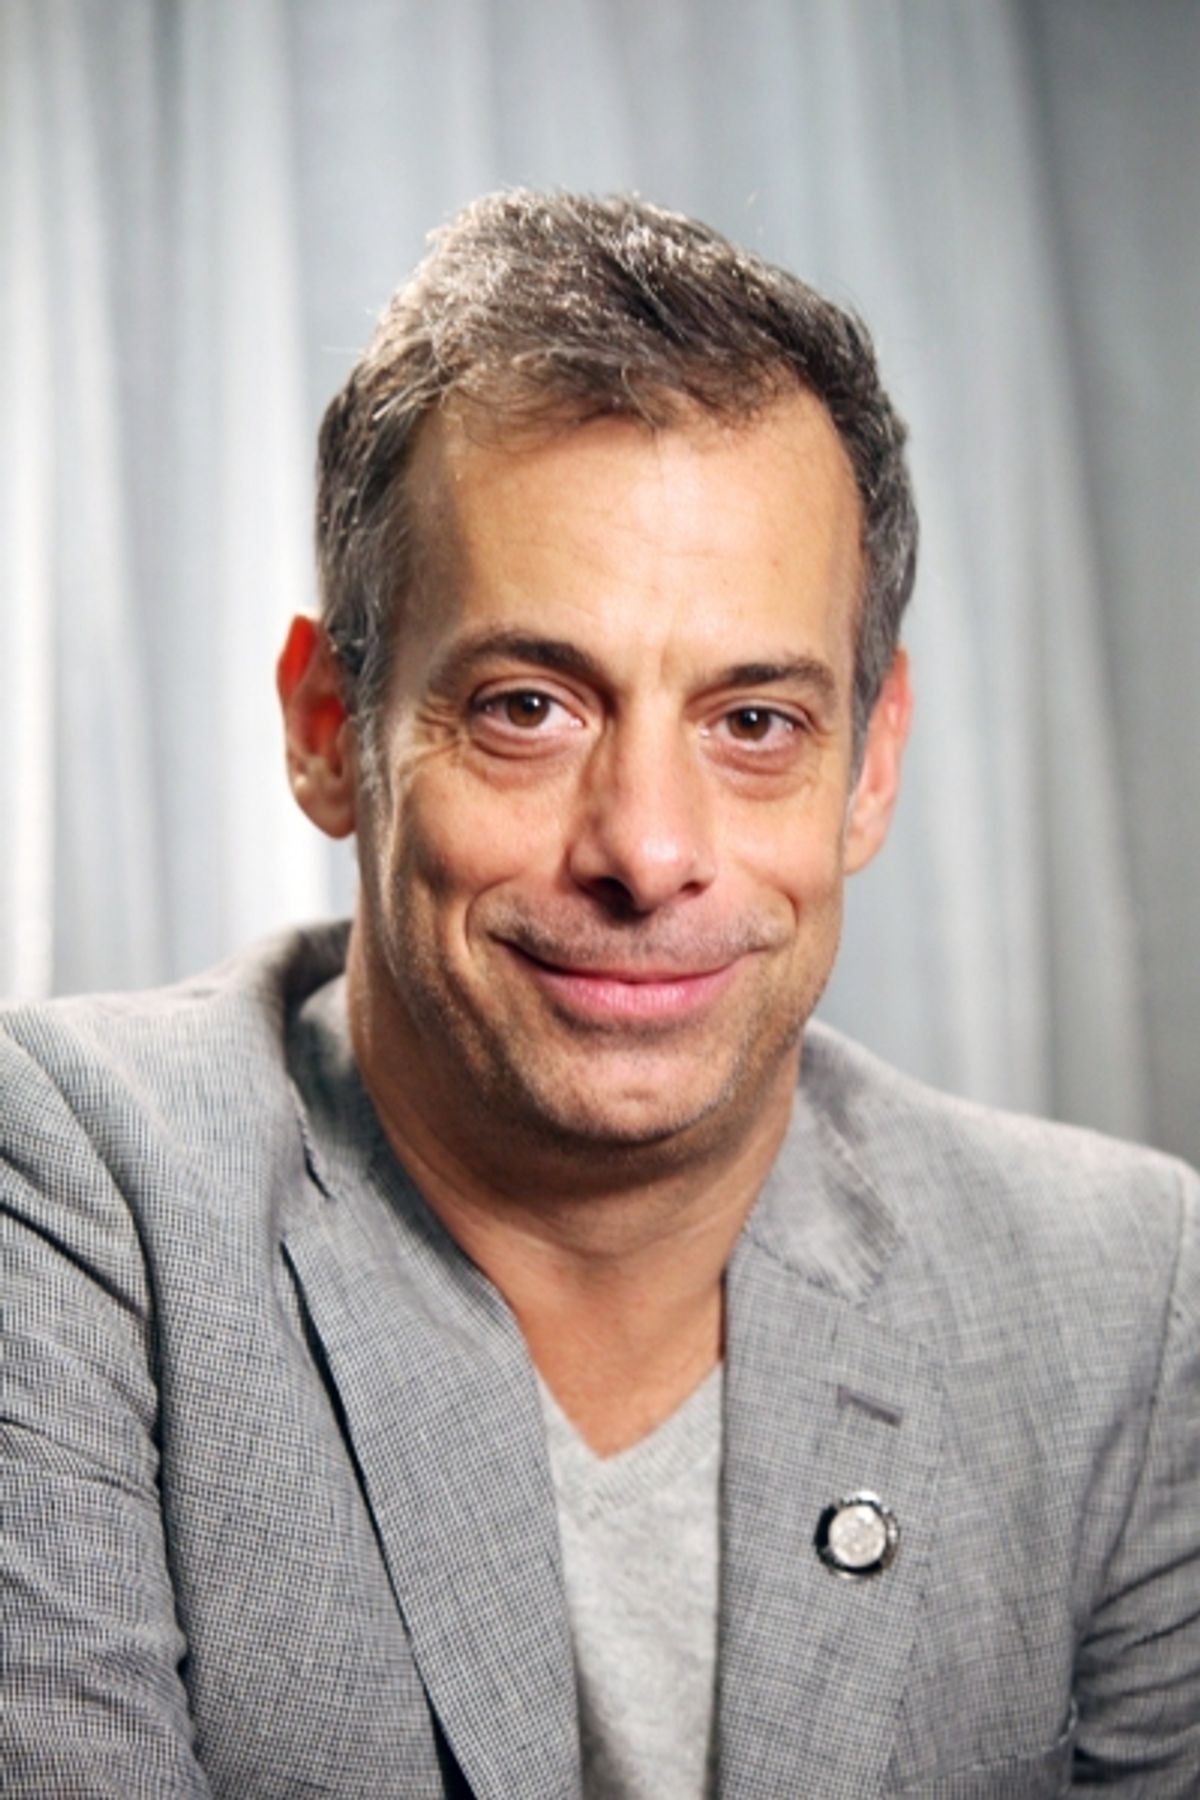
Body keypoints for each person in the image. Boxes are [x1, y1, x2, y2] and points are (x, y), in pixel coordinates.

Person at [2, 190, 1198, 1800]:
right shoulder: (81, 1194)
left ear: (871, 763)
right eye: (527, 706)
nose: (647, 849)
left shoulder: (1128, 1298)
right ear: (324, 727)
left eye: (755, 723)